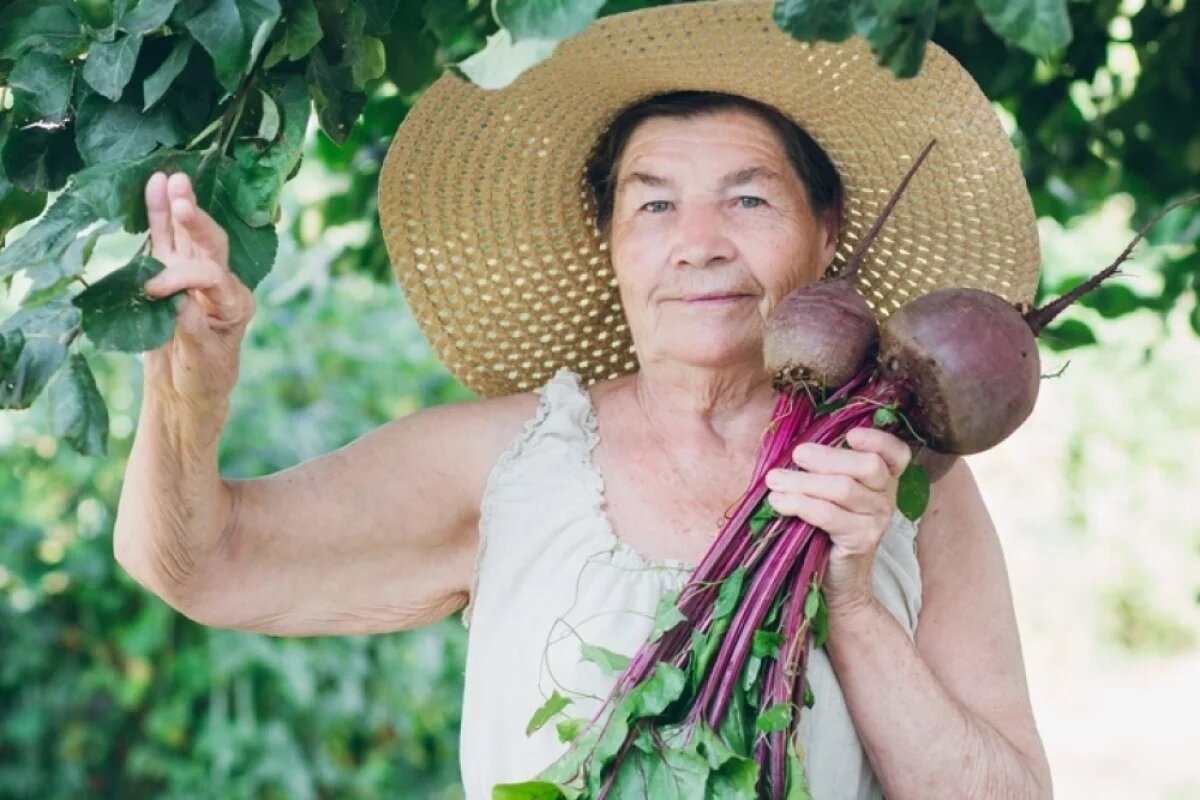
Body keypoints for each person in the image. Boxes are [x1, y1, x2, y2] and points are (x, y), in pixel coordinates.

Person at [114, 2, 1052, 798]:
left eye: (749, 201)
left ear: (826, 231)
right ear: (606, 240)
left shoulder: (907, 487)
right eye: (653, 205)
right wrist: (184, 396)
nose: (699, 244)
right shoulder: (511, 459)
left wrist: (850, 602)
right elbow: (200, 561)